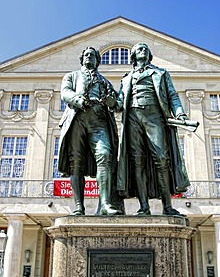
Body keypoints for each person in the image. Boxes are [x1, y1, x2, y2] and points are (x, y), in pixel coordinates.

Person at [116, 42, 190, 216]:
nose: (143, 50)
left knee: (162, 158)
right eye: (139, 49)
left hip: (154, 116)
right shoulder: (126, 78)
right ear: (133, 56)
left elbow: (172, 95)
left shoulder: (160, 73)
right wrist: (110, 100)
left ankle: (167, 205)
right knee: (137, 162)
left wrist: (180, 114)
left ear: (149, 55)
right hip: (133, 118)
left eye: (145, 49)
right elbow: (119, 104)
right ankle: (144, 206)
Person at [58, 46, 123, 216]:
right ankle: (79, 206)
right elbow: (65, 92)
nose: (89, 57)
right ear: (82, 59)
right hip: (77, 119)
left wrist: (112, 102)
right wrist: (77, 99)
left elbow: (118, 104)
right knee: (76, 163)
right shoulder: (72, 76)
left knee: (105, 155)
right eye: (86, 55)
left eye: (92, 56)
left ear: (97, 61)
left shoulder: (104, 82)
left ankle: (105, 204)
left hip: (98, 121)